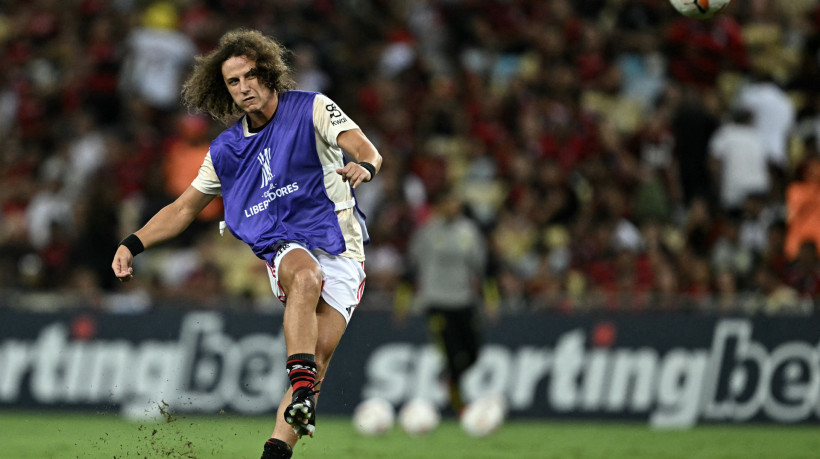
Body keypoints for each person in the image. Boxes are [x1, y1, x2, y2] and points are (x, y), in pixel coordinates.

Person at [111, 29, 382, 459]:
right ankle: (300, 390)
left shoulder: (311, 107)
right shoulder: (225, 150)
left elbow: (365, 148)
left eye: (250, 76)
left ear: (270, 73)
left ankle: (277, 446)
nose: (244, 87)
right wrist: (133, 242)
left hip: (343, 247)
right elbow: (182, 209)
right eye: (233, 82)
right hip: (287, 245)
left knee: (317, 362)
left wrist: (364, 165)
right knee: (305, 280)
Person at [405, 187, 490, 414]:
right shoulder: (426, 233)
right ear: (440, 206)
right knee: (452, 352)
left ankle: (449, 378)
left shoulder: (470, 232)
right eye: (448, 203)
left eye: (456, 203)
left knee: (473, 353)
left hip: (464, 301)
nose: (453, 208)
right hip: (436, 302)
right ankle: (457, 402)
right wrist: (402, 302)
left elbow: (482, 269)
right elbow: (410, 269)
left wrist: (490, 299)